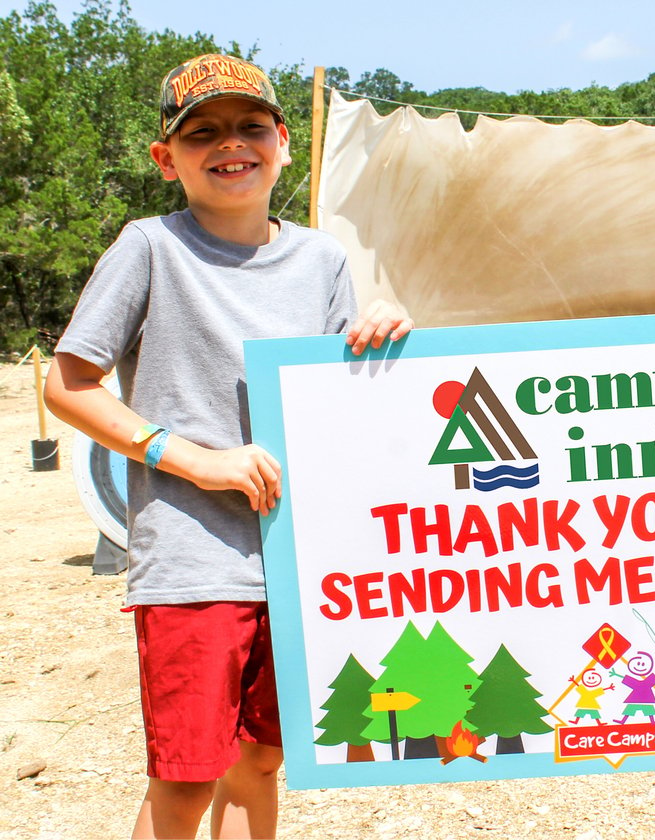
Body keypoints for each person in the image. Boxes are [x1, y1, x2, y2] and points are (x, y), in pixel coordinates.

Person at [44, 54, 412, 839]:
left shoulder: (323, 261)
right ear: (166, 158)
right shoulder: (149, 247)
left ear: (282, 141)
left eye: (250, 126)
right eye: (201, 131)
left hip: (298, 560)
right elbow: (67, 385)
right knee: (187, 778)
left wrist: (383, 339)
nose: (229, 144)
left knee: (262, 759)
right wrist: (196, 459)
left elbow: (341, 404)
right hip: (193, 562)